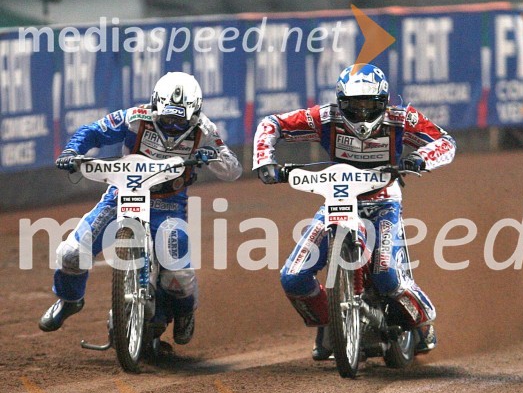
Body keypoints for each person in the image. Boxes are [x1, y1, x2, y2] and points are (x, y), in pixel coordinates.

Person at [253, 63, 455, 360]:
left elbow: (445, 142)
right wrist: (264, 160)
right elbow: (272, 123)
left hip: (383, 202)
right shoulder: (325, 117)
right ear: (340, 102)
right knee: (293, 277)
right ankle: (330, 323)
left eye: (369, 105)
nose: (361, 113)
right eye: (353, 105)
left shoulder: (402, 118)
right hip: (336, 199)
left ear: (384, 102)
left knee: (386, 275)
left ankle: (422, 323)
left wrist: (420, 158)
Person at [39, 72, 242, 345]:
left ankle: (183, 313)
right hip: (121, 195)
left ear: (195, 113)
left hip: (168, 205)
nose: (172, 126)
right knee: (71, 253)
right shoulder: (134, 118)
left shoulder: (205, 130)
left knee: (179, 278)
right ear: (155, 106)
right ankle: (69, 300)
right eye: (167, 117)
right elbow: (93, 131)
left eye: (179, 119)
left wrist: (213, 156)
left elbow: (233, 169)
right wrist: (71, 152)